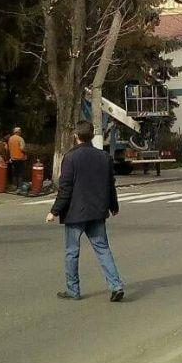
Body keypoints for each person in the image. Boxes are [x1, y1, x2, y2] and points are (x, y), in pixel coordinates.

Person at [46, 119, 124, 302]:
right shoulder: (104, 157)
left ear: (76, 136)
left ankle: (73, 290)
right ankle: (116, 285)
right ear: (92, 136)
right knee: (103, 249)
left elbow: (65, 189)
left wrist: (54, 211)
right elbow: (110, 185)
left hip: (75, 214)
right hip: (97, 212)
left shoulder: (70, 158)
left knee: (72, 252)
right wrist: (114, 206)